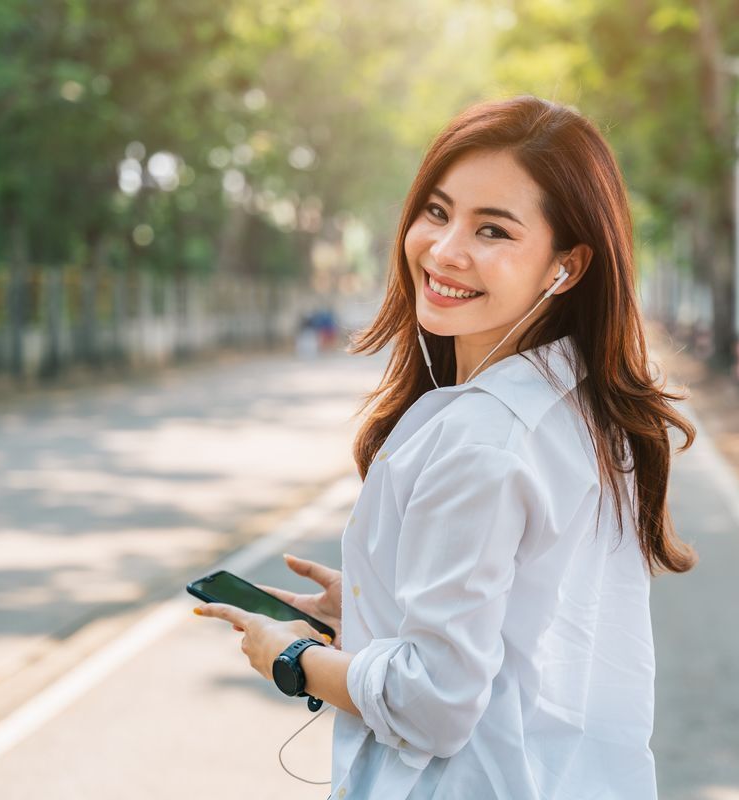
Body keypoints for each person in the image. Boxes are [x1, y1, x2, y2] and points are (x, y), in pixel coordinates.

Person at [194, 94, 697, 799]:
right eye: (437, 211)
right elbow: (535, 624)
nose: (445, 249)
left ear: (567, 266)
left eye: (492, 230)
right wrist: (383, 613)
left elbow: (432, 706)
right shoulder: (583, 402)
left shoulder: (485, 436)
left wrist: (294, 658)